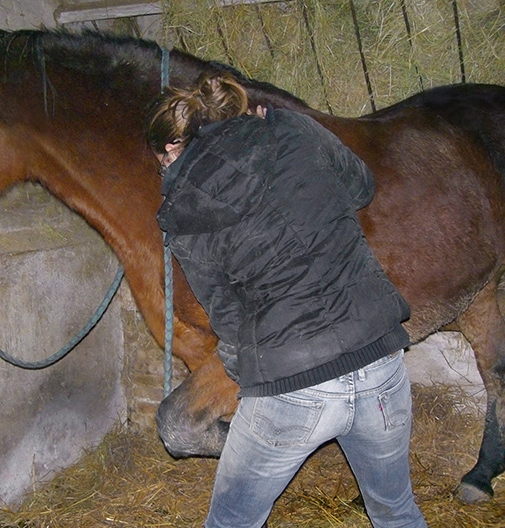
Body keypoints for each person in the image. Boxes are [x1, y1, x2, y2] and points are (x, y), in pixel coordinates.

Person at [145, 72, 427, 528]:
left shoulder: (181, 211)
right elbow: (361, 187)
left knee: (232, 522)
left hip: (291, 388)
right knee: (395, 511)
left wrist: (252, 384)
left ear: (173, 151)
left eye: (162, 163)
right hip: (381, 363)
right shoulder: (293, 128)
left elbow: (229, 320)